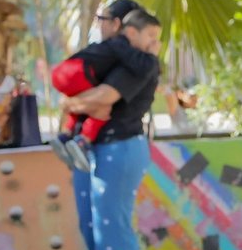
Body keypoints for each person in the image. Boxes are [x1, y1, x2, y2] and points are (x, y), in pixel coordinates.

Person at [59, 8, 162, 250]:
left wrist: (73, 103)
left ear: (121, 27)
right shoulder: (113, 58)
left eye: (105, 20)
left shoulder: (139, 63)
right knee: (94, 229)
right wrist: (79, 103)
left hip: (120, 148)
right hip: (97, 149)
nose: (101, 26)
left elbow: (105, 99)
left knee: (113, 231)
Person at [50, 9, 164, 173]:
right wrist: (152, 57)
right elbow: (101, 98)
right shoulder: (128, 53)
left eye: (103, 20)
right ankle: (81, 140)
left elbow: (104, 97)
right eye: (151, 36)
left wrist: (69, 103)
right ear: (131, 31)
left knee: (102, 105)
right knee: (102, 108)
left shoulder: (131, 57)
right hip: (104, 145)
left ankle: (69, 137)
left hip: (116, 144)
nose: (156, 43)